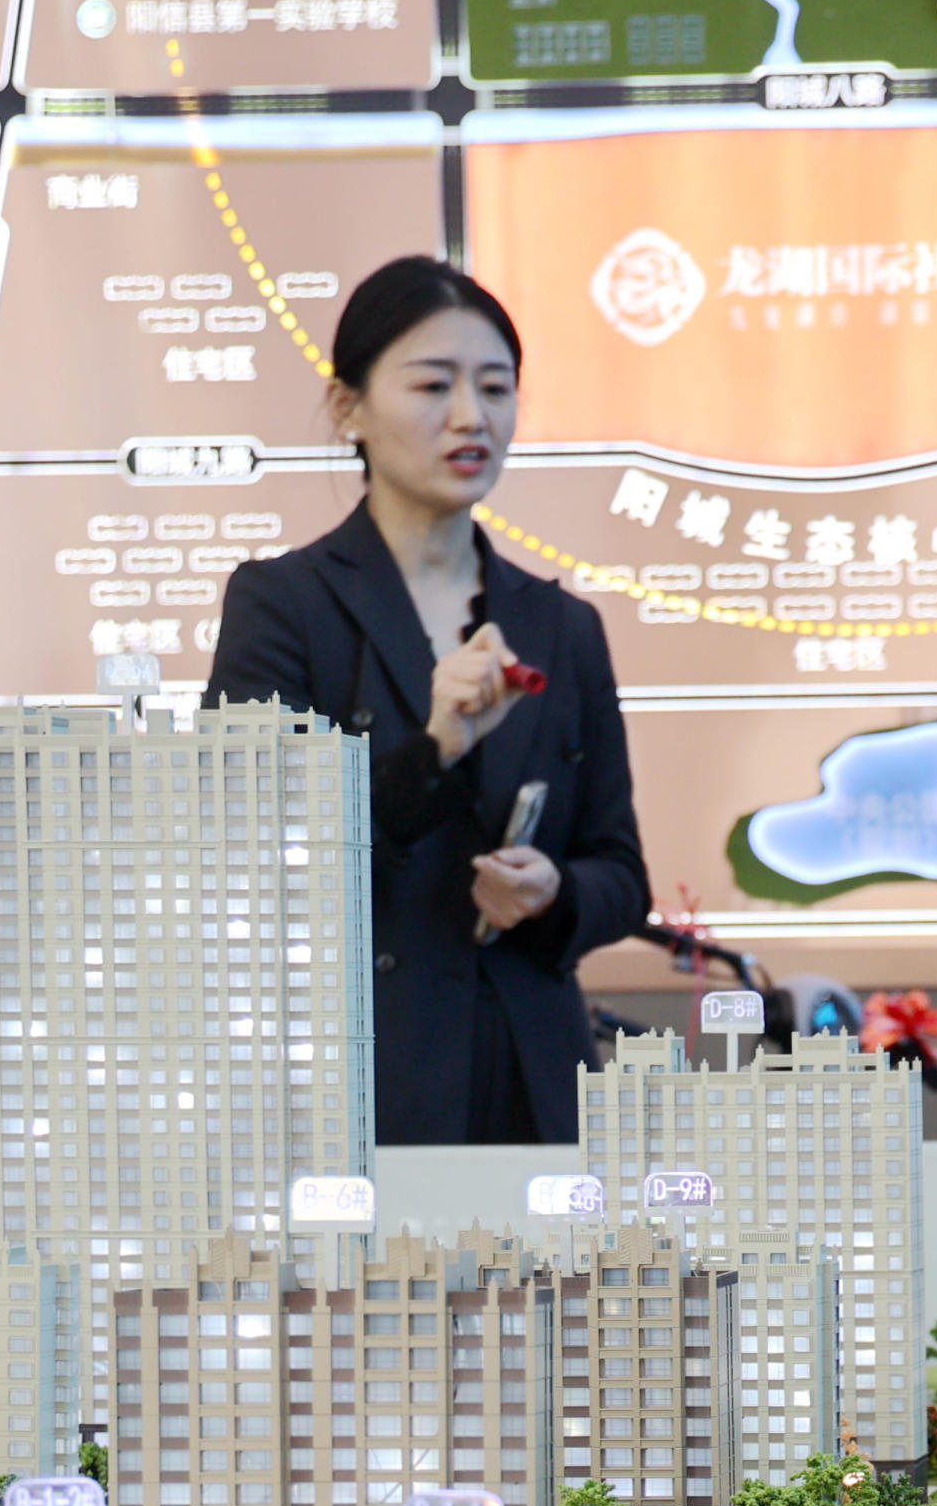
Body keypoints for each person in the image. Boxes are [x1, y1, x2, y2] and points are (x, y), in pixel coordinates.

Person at [207, 254, 650, 1143]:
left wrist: (555, 891)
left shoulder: (561, 626)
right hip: (355, 1083)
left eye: (495, 387)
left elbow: (621, 876)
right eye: (432, 385)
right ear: (348, 409)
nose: (470, 417)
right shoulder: (284, 606)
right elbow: (256, 857)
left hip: (531, 1083)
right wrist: (435, 749)